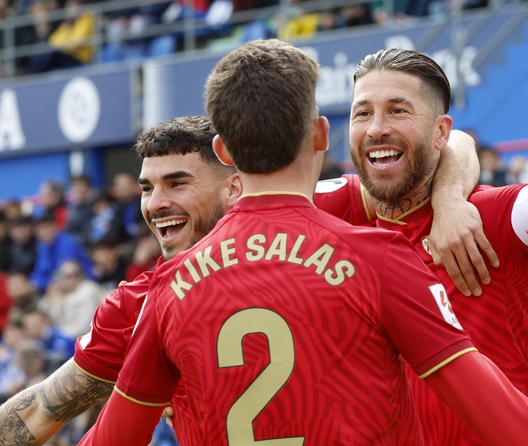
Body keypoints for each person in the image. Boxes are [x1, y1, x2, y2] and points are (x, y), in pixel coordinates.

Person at [80, 40, 528, 445]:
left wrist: (448, 193)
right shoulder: (376, 256)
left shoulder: (169, 287)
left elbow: (110, 436)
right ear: (322, 135)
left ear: (223, 151)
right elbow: (504, 418)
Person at [0, 115, 485, 442]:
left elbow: (451, 145)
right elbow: (43, 409)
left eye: (178, 184)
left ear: (236, 185)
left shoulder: (315, 211)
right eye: (147, 188)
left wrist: (448, 203)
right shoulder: (139, 302)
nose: (155, 204)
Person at [324, 0, 528, 444]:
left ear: (439, 131)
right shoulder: (332, 219)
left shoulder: (493, 219)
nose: (376, 128)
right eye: (362, 112)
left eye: (397, 110)